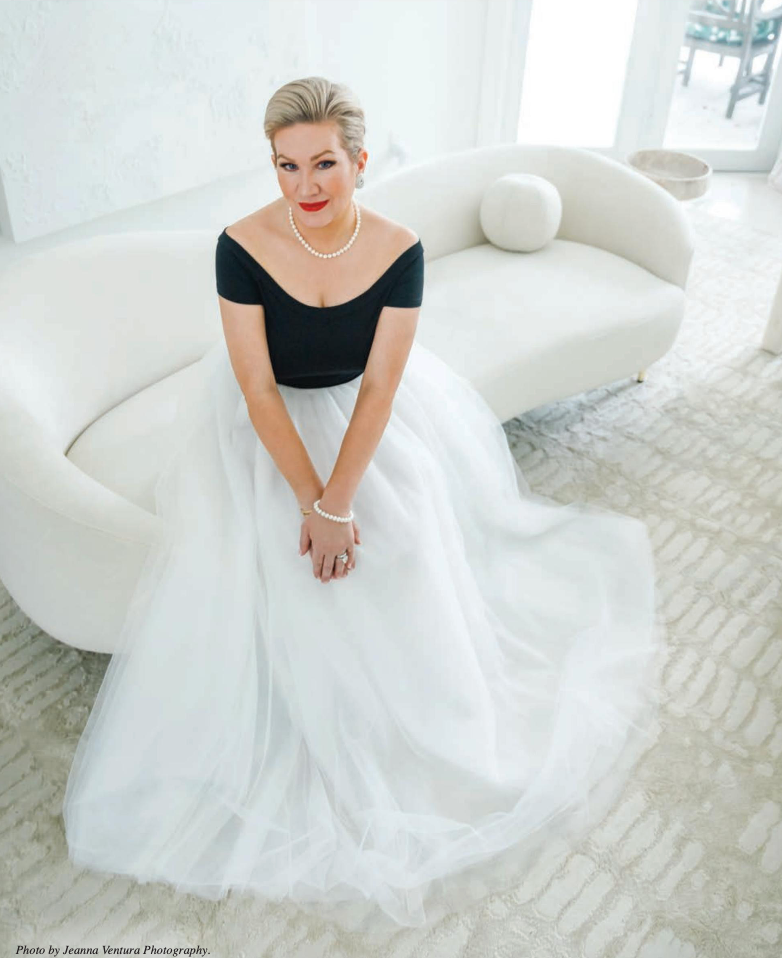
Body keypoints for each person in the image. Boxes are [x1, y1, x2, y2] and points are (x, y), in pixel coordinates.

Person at [62, 76, 664, 930]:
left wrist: (342, 502)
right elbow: (257, 385)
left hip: (364, 417)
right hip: (264, 428)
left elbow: (383, 381)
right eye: (285, 166)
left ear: (359, 161)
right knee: (271, 560)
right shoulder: (239, 245)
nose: (305, 187)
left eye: (323, 164)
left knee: (399, 547)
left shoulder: (398, 247)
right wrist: (311, 500)